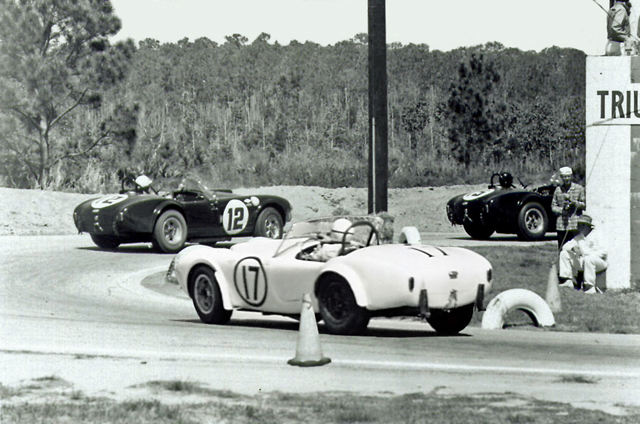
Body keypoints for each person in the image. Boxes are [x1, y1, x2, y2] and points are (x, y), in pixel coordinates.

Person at [558, 215, 608, 293]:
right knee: (564, 254)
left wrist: (588, 254)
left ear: (586, 226)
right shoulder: (579, 237)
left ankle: (590, 287)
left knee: (588, 259)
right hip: (584, 262)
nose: (578, 227)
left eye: (580, 225)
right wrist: (573, 248)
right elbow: (565, 246)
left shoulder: (597, 235)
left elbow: (604, 252)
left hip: (599, 263)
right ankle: (568, 281)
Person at [551, 167, 586, 250]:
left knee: (576, 249)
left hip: (575, 225)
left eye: (568, 176)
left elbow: (584, 205)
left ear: (571, 176)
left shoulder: (579, 189)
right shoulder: (558, 190)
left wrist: (574, 203)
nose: (567, 179)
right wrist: (562, 211)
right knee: (562, 249)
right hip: (561, 225)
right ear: (561, 178)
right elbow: (553, 206)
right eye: (564, 177)